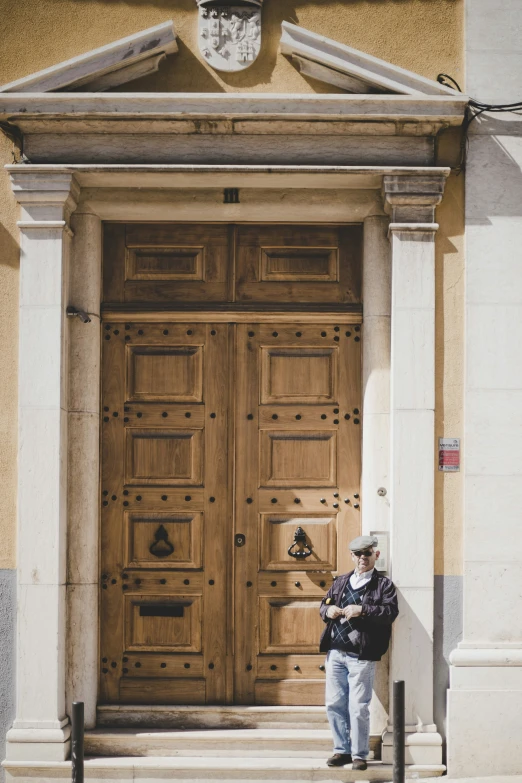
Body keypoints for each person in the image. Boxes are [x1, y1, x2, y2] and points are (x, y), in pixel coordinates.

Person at [319, 535, 399, 770]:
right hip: (335, 653)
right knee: (334, 704)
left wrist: (362, 609)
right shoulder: (341, 581)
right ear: (352, 556)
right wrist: (328, 609)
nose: (362, 558)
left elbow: (389, 613)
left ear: (376, 555)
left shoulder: (384, 585)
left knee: (358, 706)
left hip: (361, 655)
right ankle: (341, 751)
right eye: (358, 554)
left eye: (367, 553)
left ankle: (359, 755)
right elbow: (323, 605)